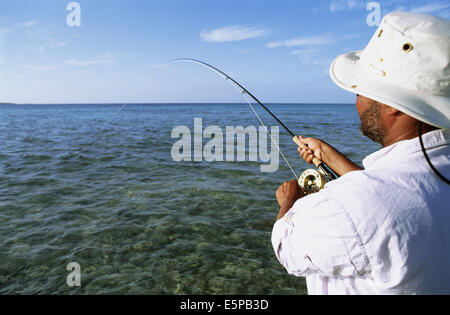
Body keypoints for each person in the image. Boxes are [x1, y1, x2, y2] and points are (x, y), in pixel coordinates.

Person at [272, 12, 450, 295]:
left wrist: (289, 201)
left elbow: (287, 248)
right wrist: (329, 156)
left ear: (394, 105)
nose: (357, 101)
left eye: (360, 90)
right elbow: (395, 192)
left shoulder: (357, 205)